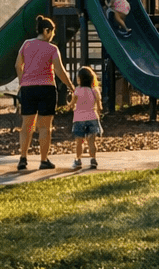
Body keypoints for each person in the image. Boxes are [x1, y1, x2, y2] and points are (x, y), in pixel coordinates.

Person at [15, 15, 75, 171]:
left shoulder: (26, 45)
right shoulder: (52, 49)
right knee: (45, 127)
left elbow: (17, 65)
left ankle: (23, 158)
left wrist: (23, 82)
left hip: (28, 89)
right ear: (46, 31)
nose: (53, 35)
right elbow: (60, 71)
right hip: (46, 89)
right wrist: (71, 87)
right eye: (53, 32)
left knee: (26, 125)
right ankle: (43, 160)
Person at [71, 66, 102, 169]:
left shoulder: (77, 90)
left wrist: (70, 106)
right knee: (92, 141)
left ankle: (78, 160)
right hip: (92, 117)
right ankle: (93, 159)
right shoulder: (95, 91)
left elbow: (72, 104)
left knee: (79, 141)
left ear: (79, 79)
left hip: (79, 119)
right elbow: (100, 107)